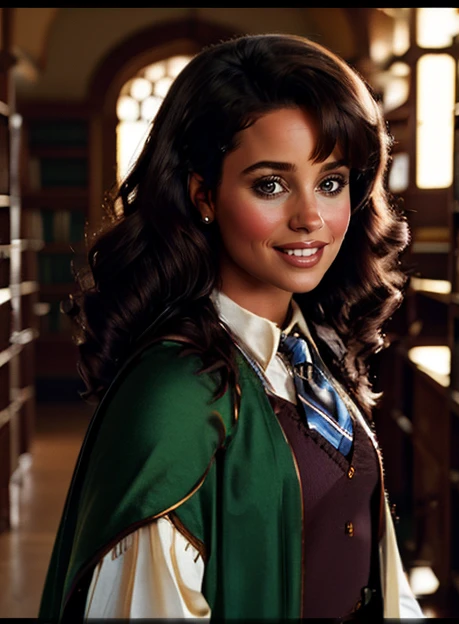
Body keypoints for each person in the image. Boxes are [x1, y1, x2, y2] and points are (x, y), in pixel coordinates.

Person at [39, 33, 425, 621]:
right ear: (204, 195)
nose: (310, 219)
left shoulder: (310, 351)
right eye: (270, 184)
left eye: (331, 181)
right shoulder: (173, 394)